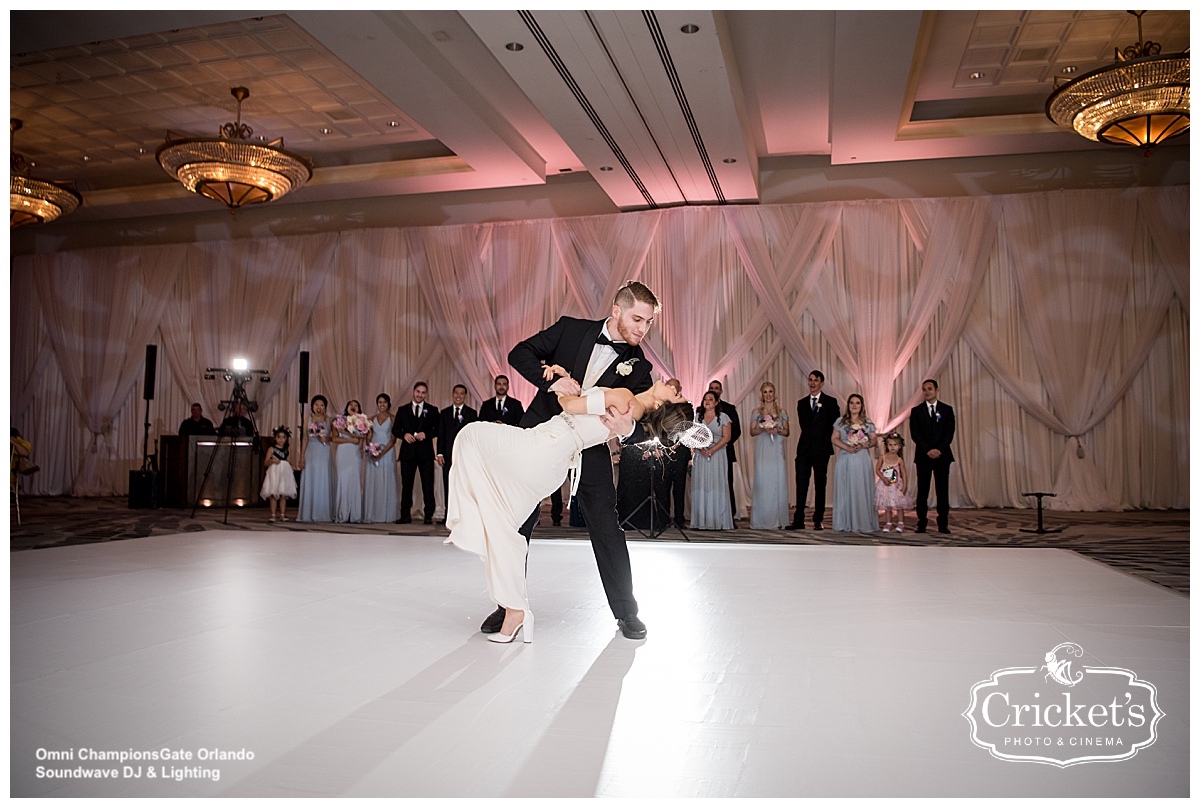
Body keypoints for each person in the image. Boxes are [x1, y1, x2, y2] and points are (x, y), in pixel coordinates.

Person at [446, 379, 700, 642]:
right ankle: (512, 610)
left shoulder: (626, 395)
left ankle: (620, 611)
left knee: (471, 436)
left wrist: (560, 386)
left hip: (547, 446)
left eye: (677, 395)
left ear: (661, 404)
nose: (675, 387)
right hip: (552, 457)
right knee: (508, 523)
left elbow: (568, 404)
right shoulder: (631, 405)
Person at [482, 280, 661, 641]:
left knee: (607, 527)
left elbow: (648, 426)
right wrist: (549, 384)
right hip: (540, 437)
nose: (643, 329)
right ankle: (508, 606)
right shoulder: (570, 329)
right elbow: (520, 353)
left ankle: (627, 611)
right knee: (518, 521)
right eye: (638, 319)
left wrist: (627, 428)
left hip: (590, 447)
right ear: (616, 311)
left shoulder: (640, 368)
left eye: (649, 323)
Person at [787, 371, 840, 531]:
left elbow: (835, 424)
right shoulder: (802, 403)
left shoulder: (831, 402)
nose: (812, 383)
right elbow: (806, 425)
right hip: (804, 449)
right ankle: (799, 520)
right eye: (810, 380)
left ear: (822, 383)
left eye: (815, 380)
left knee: (820, 485)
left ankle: (818, 519)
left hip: (821, 450)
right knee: (801, 484)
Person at [909, 379, 956, 534]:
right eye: (924, 389)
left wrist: (938, 449)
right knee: (923, 490)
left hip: (942, 456)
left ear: (936, 390)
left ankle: (943, 522)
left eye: (929, 389)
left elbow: (949, 433)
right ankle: (921, 521)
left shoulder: (947, 410)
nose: (926, 392)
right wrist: (928, 449)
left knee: (942, 490)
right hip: (923, 456)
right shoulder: (916, 411)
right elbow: (915, 434)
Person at [393, 382, 440, 524]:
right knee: (406, 485)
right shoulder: (402, 410)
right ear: (413, 392)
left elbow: (438, 429)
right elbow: (395, 429)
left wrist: (426, 434)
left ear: (426, 394)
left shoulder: (432, 410)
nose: (420, 394)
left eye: (423, 392)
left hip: (425, 454)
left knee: (428, 485)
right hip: (408, 453)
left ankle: (428, 515)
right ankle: (405, 515)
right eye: (418, 391)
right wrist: (404, 435)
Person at [831, 393, 878, 532]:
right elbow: (834, 438)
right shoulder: (841, 422)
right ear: (848, 405)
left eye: (857, 403)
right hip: (846, 458)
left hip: (862, 459)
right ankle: (845, 522)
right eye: (852, 403)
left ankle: (863, 522)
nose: (854, 405)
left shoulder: (868, 423)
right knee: (846, 489)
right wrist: (847, 447)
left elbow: (874, 440)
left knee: (861, 489)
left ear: (862, 405)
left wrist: (863, 445)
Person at [691, 390, 734, 530]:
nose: (707, 401)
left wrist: (712, 450)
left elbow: (726, 437)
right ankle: (701, 521)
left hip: (717, 455)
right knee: (702, 485)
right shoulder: (698, 417)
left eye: (710, 399)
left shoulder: (724, 417)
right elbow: (693, 436)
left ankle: (718, 520)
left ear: (716, 402)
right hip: (701, 454)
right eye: (705, 399)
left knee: (716, 484)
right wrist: (701, 448)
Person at [749, 381, 790, 529]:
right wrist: (763, 429)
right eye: (765, 392)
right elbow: (752, 431)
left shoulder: (782, 412)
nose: (768, 395)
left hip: (776, 449)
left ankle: (778, 519)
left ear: (774, 393)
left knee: (777, 481)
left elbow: (787, 432)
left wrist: (777, 430)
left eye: (770, 391)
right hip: (763, 449)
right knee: (763, 481)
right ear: (762, 394)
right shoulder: (756, 412)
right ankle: (762, 519)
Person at [436, 384, 478, 521]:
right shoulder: (445, 413)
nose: (458, 396)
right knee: (449, 486)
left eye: (461, 393)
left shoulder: (472, 414)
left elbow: (473, 437)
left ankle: (465, 516)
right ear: (452, 394)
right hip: (448, 456)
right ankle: (449, 515)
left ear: (465, 396)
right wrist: (440, 453)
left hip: (465, 457)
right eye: (456, 393)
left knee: (465, 487)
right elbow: (441, 434)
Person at [707, 380, 741, 520]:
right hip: (706, 453)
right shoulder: (700, 409)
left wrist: (721, 444)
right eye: (711, 388)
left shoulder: (729, 408)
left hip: (725, 452)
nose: (714, 390)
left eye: (717, 388)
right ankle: (709, 514)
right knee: (708, 483)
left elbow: (737, 431)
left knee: (726, 482)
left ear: (721, 391)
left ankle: (729, 515)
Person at [363, 393, 399, 523]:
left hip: (387, 452)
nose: (382, 404)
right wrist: (371, 449)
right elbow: (369, 437)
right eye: (379, 402)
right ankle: (372, 514)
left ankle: (386, 514)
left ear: (388, 404)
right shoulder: (371, 419)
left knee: (387, 480)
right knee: (375, 481)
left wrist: (382, 452)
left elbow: (393, 438)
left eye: (384, 402)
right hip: (374, 453)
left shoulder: (393, 418)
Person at [297, 394, 333, 522]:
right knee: (310, 479)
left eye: (322, 405)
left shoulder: (329, 420)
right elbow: (305, 438)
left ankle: (322, 513)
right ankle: (308, 513)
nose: (319, 407)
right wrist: (301, 457)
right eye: (316, 405)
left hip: (323, 451)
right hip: (311, 451)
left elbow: (334, 437)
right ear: (312, 406)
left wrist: (326, 438)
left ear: (325, 407)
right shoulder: (307, 420)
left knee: (322, 479)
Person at [662, 379, 691, 529]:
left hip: (681, 450)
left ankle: (679, 519)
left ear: (680, 389)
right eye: (669, 386)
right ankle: (664, 519)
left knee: (679, 487)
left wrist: (678, 442)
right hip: (664, 450)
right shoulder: (660, 405)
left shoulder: (686, 405)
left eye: (674, 387)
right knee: (663, 486)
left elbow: (689, 426)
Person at [333, 399, 366, 523]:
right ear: (346, 407)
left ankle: (355, 515)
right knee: (344, 481)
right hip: (343, 452)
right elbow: (335, 438)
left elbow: (364, 436)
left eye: (356, 405)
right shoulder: (339, 421)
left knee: (355, 480)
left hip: (355, 454)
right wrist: (351, 440)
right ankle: (343, 514)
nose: (353, 407)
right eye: (351, 405)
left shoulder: (362, 421)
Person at [875, 432, 913, 532]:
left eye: (895, 445)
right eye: (890, 445)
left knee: (899, 505)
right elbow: (877, 470)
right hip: (885, 485)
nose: (892, 447)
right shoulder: (882, 457)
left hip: (896, 485)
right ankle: (888, 523)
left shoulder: (899, 460)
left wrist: (904, 485)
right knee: (887, 505)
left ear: (899, 446)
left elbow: (903, 473)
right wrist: (883, 479)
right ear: (886, 446)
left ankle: (901, 523)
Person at [261, 425, 297, 522]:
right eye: (279, 437)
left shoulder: (286, 451)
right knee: (273, 493)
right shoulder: (271, 449)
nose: (281, 439)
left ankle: (282, 514)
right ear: (275, 438)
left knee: (283, 494)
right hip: (274, 472)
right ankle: (272, 514)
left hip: (284, 473)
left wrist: (295, 467)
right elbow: (265, 462)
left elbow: (286, 462)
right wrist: (272, 460)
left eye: (283, 437)